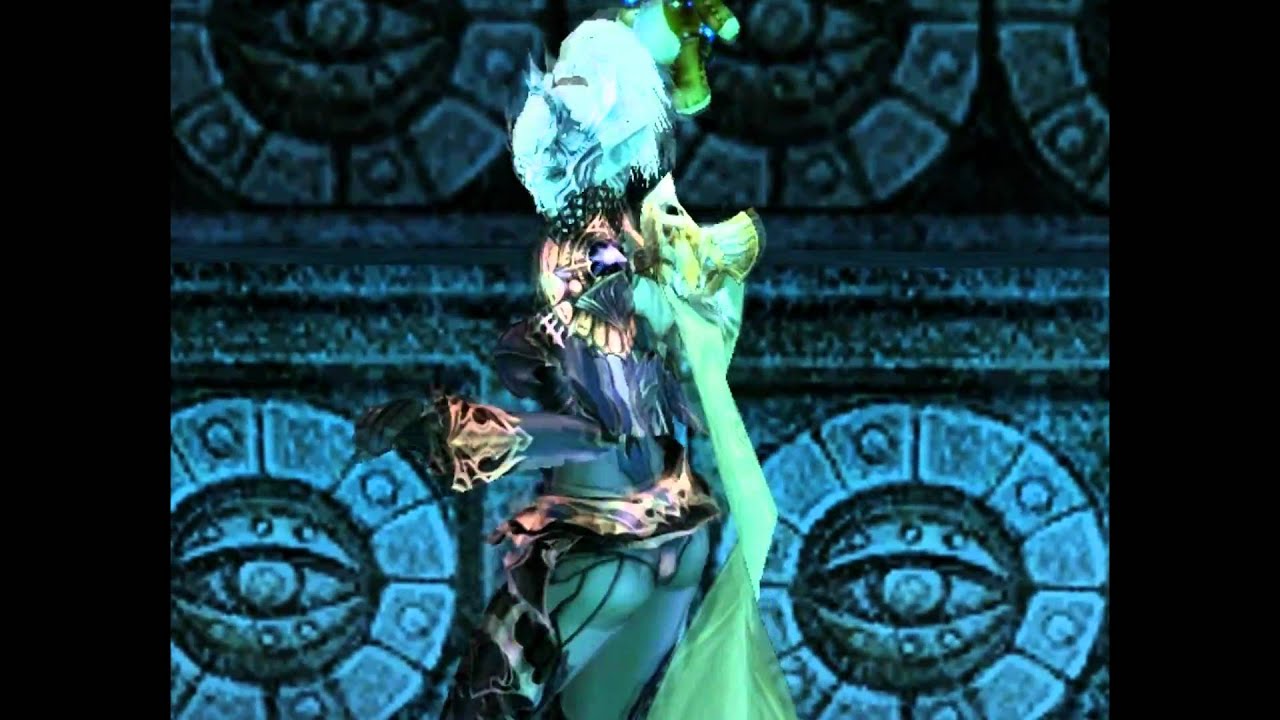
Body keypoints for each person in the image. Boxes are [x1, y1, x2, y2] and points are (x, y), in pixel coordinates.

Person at [354, 17, 794, 720]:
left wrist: (447, 428)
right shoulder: (648, 239)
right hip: (674, 537)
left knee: (479, 708)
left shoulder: (588, 255)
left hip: (599, 545)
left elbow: (595, 428)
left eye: (567, 89)